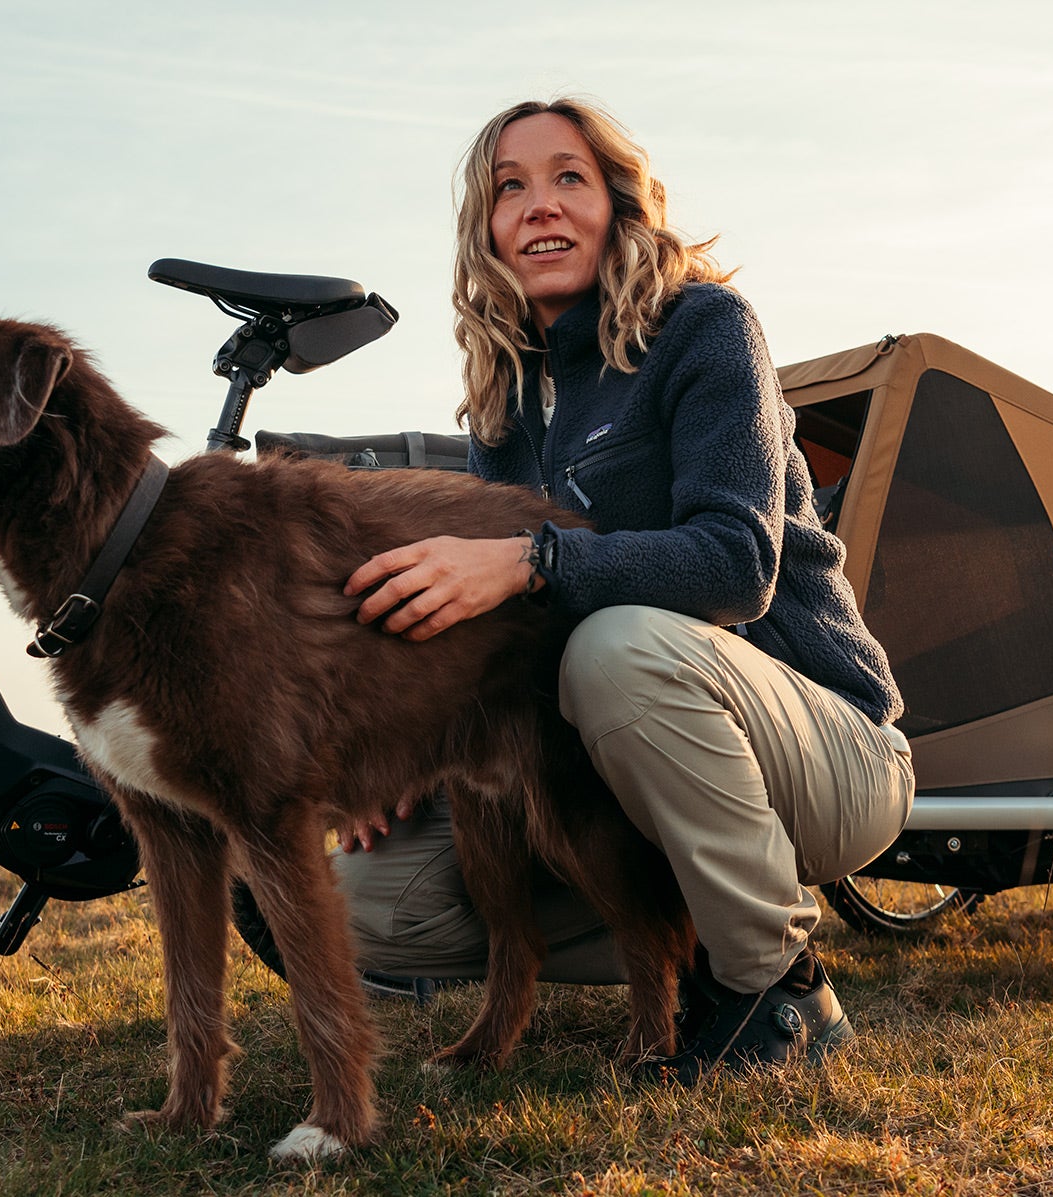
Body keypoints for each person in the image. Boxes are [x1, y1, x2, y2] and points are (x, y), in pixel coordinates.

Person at [338, 97, 913, 1082]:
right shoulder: (505, 404)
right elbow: (498, 643)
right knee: (368, 906)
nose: (539, 206)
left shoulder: (705, 329)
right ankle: (678, 937)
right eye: (507, 188)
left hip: (824, 754)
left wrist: (530, 560)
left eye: (568, 176)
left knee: (618, 648)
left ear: (618, 202)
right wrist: (394, 751)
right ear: (485, 230)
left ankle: (778, 988)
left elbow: (736, 565)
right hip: (631, 771)